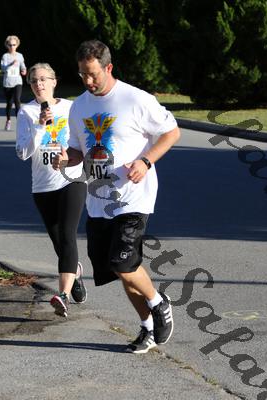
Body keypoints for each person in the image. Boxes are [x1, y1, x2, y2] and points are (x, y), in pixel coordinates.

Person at [53, 40, 181, 354]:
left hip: (133, 197)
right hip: (98, 200)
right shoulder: (79, 107)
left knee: (123, 262)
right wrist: (66, 158)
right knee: (117, 268)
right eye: (82, 74)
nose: (87, 80)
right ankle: (147, 326)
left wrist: (146, 161)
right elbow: (77, 150)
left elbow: (171, 132)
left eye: (93, 74)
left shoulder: (135, 99)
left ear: (108, 68)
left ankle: (158, 303)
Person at [16, 63, 87, 317]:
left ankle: (63, 295)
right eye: (34, 81)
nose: (39, 84)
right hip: (43, 186)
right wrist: (39, 126)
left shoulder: (71, 108)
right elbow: (22, 153)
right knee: (60, 243)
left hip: (72, 179)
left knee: (67, 236)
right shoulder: (26, 112)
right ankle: (75, 273)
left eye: (43, 79)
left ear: (54, 81)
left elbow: (86, 142)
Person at [0, 35, 26, 131]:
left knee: (17, 100)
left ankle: (20, 122)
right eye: (10, 45)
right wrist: (10, 64)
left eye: (14, 45)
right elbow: (2, 69)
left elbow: (23, 66)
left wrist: (24, 70)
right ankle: (8, 120)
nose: (12, 47)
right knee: (9, 103)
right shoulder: (5, 56)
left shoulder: (20, 56)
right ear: (7, 45)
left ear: (17, 45)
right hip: (8, 82)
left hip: (17, 81)